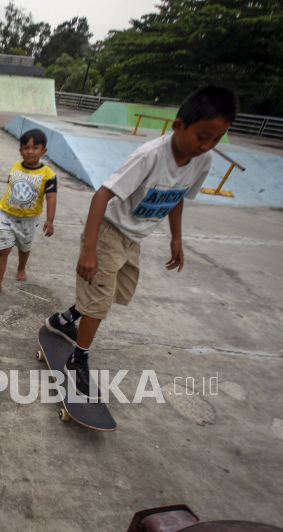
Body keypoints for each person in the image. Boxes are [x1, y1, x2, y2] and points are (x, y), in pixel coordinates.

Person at [45, 85, 239, 399]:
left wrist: (176, 238)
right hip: (108, 232)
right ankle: (77, 359)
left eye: (216, 140)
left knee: (115, 294)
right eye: (203, 136)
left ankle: (65, 319)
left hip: (134, 239)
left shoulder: (201, 162)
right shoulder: (150, 156)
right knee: (100, 299)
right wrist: (89, 249)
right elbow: (102, 194)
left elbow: (177, 198)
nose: (207, 146)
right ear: (179, 125)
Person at [0, 128, 57, 298]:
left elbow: (51, 198)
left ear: (43, 151)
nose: (30, 151)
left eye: (35, 147)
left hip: (29, 220)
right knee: (2, 249)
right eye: (26, 147)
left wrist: (50, 220)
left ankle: (21, 267)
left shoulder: (48, 175)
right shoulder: (15, 167)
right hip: (7, 216)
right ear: (20, 150)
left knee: (24, 247)